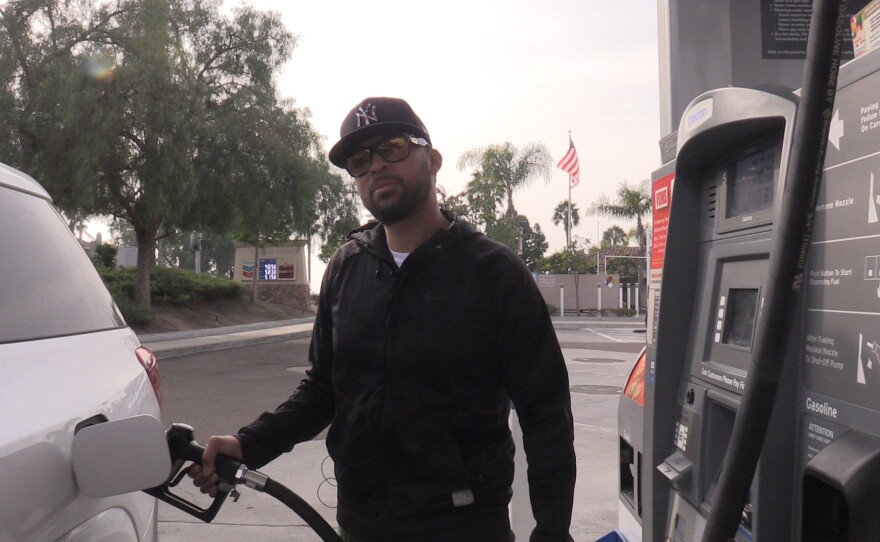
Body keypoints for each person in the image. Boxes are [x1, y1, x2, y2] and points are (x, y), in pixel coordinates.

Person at [190, 97, 576, 542]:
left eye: (392, 147)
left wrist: (551, 532)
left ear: (431, 159)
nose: (375, 166)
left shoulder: (495, 274)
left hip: (464, 526)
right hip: (361, 524)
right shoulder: (347, 266)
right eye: (360, 160)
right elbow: (323, 389)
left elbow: (546, 415)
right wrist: (247, 444)